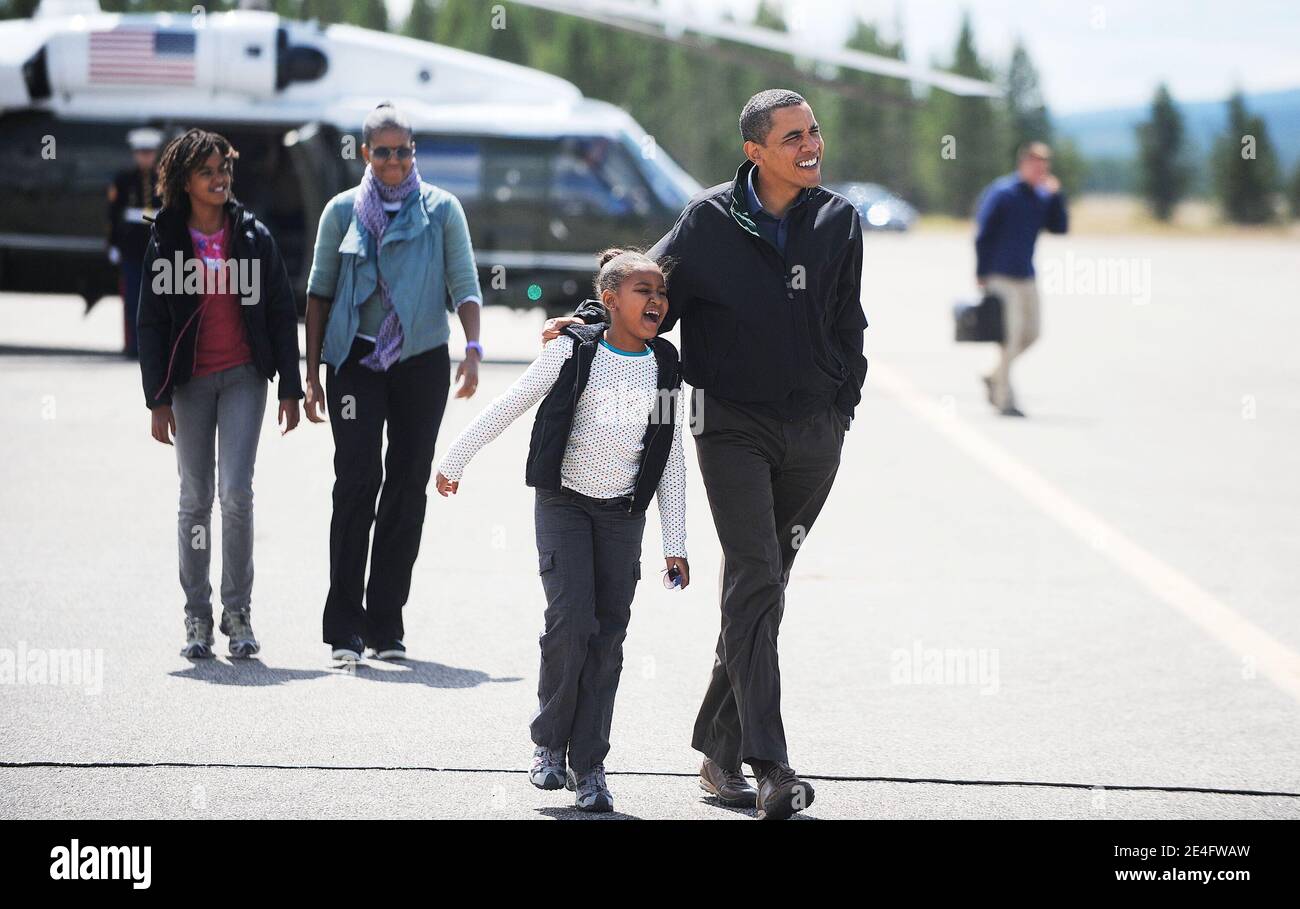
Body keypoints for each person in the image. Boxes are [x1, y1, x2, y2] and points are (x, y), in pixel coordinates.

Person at [544, 89, 867, 819]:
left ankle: (718, 755)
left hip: (815, 432)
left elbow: (850, 319)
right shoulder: (709, 219)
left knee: (762, 587)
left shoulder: (839, 221)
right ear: (755, 150)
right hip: (732, 427)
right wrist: (590, 322)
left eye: (813, 132)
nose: (810, 145)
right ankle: (771, 764)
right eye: (793, 137)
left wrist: (843, 401)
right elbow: (645, 285)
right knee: (756, 574)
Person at [436, 249, 688, 813]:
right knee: (571, 621)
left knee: (608, 637)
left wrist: (676, 543)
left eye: (661, 293)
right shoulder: (573, 351)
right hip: (564, 504)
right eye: (643, 290)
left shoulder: (667, 367)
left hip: (624, 514)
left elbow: (672, 458)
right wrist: (456, 458)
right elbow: (512, 403)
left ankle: (591, 765)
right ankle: (549, 746)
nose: (656, 301)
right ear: (610, 300)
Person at [303, 101, 483, 664]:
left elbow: (465, 283)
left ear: (413, 152)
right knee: (356, 481)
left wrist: (473, 349)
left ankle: (386, 623)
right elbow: (319, 294)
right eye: (383, 151)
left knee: (406, 486)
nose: (394, 161)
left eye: (403, 150)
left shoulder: (441, 210)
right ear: (365, 154)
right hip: (355, 362)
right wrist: (311, 372)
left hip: (421, 362)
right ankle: (343, 628)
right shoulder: (341, 213)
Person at [136, 128, 303, 659]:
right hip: (189, 385)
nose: (219, 179)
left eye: (224, 169)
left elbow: (279, 310)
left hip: (242, 379)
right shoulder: (166, 239)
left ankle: (238, 612)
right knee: (193, 499)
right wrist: (158, 398)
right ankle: (197, 616)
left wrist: (291, 388)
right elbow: (151, 325)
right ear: (185, 181)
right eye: (207, 171)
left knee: (235, 493)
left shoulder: (251, 236)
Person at [974, 141, 1069, 417]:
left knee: (1033, 333)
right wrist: (981, 271)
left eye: (1044, 166)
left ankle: (993, 375)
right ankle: (1005, 400)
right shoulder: (1003, 192)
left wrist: (1056, 196)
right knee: (1011, 335)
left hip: (1026, 274)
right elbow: (983, 233)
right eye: (1035, 165)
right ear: (1023, 164)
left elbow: (1059, 227)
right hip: (1000, 274)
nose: (1041, 171)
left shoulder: (1041, 195)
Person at [108, 127, 163, 359]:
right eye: (141, 152)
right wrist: (113, 244)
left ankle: (155, 346)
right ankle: (133, 345)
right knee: (132, 299)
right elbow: (113, 213)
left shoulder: (163, 179)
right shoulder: (123, 179)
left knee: (158, 301)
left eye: (149, 152)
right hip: (131, 248)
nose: (145, 157)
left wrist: (142, 216)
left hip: (157, 248)